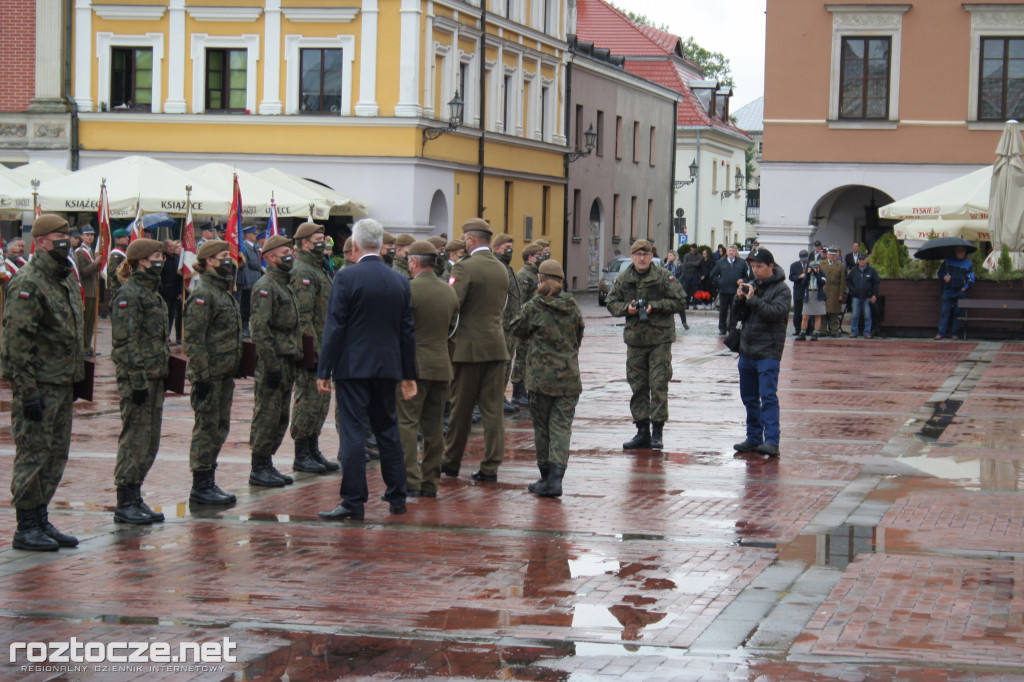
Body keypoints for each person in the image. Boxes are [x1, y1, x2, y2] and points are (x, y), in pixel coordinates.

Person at [317, 218, 417, 521]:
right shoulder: (399, 280)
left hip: (352, 366)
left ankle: (353, 500)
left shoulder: (346, 278)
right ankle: (397, 496)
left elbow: (335, 327)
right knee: (388, 430)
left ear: (356, 245)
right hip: (387, 366)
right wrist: (408, 374)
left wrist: (324, 370)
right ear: (380, 245)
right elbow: (407, 331)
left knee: (353, 433)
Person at [1, 214, 85, 551]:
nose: (67, 238)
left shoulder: (62, 279)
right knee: (33, 453)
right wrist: (27, 390)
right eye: (59, 234)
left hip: (62, 382)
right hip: (38, 384)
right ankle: (25, 526)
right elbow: (16, 342)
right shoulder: (28, 282)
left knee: (55, 453)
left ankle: (40, 516)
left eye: (68, 233)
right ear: (42, 240)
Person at [440, 218, 510, 482]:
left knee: (461, 409)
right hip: (496, 346)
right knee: (493, 411)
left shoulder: (465, 267)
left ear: (470, 240)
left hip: (468, 349)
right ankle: (490, 466)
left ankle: (451, 462)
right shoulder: (501, 269)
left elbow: (450, 303)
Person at [510, 259, 583, 497]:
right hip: (568, 377)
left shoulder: (534, 306)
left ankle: (545, 477)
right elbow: (579, 334)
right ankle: (556, 480)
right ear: (561, 281)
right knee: (561, 428)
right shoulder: (572, 306)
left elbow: (517, 328)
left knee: (542, 428)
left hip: (540, 379)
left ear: (539, 279)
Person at [109, 238, 169, 524]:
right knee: (135, 439)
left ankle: (135, 496)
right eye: (157, 255)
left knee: (149, 441)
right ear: (142, 260)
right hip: (139, 379)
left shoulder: (152, 293)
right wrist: (137, 381)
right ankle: (125, 501)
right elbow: (125, 342)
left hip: (154, 375)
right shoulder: (129, 294)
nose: (161, 260)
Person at [605, 239, 686, 451]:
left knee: (658, 385)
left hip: (659, 339)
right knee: (638, 386)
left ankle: (657, 432)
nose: (642, 258)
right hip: (636, 341)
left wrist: (654, 306)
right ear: (631, 257)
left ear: (652, 257)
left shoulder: (662, 276)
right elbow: (611, 303)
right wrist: (627, 308)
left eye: (646, 254)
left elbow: (680, 301)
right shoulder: (624, 279)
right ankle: (642, 431)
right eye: (638, 254)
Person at [397, 240, 459, 497]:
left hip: (414, 367)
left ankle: (410, 480)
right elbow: (453, 331)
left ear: (413, 262)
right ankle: (430, 482)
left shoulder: (408, 290)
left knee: (407, 424)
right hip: (441, 365)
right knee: (434, 428)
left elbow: (400, 331)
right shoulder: (449, 291)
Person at [184, 239, 243, 506]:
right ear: (209, 260)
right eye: (223, 256)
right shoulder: (203, 294)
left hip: (224, 373)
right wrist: (202, 375)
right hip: (209, 375)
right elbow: (194, 339)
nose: (228, 260)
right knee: (206, 429)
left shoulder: (221, 291)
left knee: (219, 427)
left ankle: (209, 479)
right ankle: (201, 485)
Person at [248, 235, 304, 487]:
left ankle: (267, 462)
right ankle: (259, 466)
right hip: (274, 360)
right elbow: (260, 329)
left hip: (287, 358)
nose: (290, 256)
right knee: (267, 415)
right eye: (285, 253)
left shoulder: (285, 284)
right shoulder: (266, 286)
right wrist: (270, 365)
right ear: (271, 258)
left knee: (281, 415)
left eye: (291, 252)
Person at [289, 221, 339, 474]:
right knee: (307, 398)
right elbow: (303, 316)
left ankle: (313, 447)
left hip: (324, 344)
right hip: (312, 346)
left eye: (324, 238)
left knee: (321, 399)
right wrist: (312, 350)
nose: (323, 242)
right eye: (318, 239)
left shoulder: (318, 269)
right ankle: (302, 452)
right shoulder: (303, 272)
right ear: (305, 243)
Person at [731, 248, 791, 458]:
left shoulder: (782, 289)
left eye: (759, 267)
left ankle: (772, 441)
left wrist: (753, 300)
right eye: (753, 267)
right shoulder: (752, 285)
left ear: (770, 267)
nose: (755, 271)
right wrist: (739, 299)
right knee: (748, 397)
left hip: (768, 352)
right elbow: (736, 315)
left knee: (767, 397)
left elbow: (774, 313)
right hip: (747, 350)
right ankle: (754, 437)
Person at [493, 233, 522, 414]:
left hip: (511, 325)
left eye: (511, 248)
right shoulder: (498, 267)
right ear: (496, 248)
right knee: (501, 363)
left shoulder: (507, 267)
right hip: (502, 325)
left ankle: (501, 395)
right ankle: (495, 397)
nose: (509, 251)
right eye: (506, 248)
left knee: (507, 363)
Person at [512, 242, 543, 406]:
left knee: (530, 358)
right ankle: (518, 391)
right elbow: (521, 302)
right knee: (522, 358)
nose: (541, 258)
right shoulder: (524, 275)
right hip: (527, 324)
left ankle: (526, 389)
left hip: (535, 323)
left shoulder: (536, 275)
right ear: (530, 257)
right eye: (538, 256)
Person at [936, 245, 975, 340]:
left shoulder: (968, 264)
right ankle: (941, 333)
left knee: (958, 313)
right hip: (948, 291)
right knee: (945, 312)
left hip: (960, 292)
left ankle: (955, 334)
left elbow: (971, 278)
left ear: (965, 253)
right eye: (958, 251)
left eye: (962, 251)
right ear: (955, 252)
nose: (960, 253)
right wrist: (944, 277)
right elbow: (940, 273)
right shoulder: (947, 262)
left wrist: (964, 288)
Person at [709, 245, 749, 336]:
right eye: (730, 251)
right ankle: (722, 328)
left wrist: (743, 281)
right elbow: (712, 275)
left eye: (733, 251)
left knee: (734, 310)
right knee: (723, 310)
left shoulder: (741, 263)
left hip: (736, 291)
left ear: (736, 252)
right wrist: (720, 281)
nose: (731, 253)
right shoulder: (720, 263)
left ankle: (732, 328)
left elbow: (747, 277)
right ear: (727, 252)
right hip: (724, 291)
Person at [75, 225, 100, 357]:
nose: (90, 237)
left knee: (91, 322)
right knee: (85, 321)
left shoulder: (91, 251)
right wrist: (95, 263)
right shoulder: (80, 252)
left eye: (92, 235)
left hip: (93, 290)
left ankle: (88, 345)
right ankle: (83, 346)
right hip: (86, 291)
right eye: (87, 235)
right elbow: (83, 272)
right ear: (82, 237)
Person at [237, 226, 263, 338]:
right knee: (246, 305)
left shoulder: (254, 247)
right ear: (248, 235)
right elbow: (245, 265)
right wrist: (247, 281)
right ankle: (244, 327)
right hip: (249, 278)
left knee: (253, 305)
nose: (255, 235)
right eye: (253, 233)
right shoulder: (244, 247)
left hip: (256, 277)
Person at [847, 252, 879, 338]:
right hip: (856, 296)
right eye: (860, 259)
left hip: (867, 297)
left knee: (867, 315)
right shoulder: (854, 270)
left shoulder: (872, 271)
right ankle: (854, 332)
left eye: (863, 259)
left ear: (866, 260)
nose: (861, 261)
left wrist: (874, 295)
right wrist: (852, 289)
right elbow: (848, 280)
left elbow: (876, 283)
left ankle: (867, 332)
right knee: (855, 315)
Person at [160, 240, 184, 346]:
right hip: (163, 292)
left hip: (174, 292)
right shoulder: (161, 259)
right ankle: (164, 337)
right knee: (164, 316)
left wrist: (180, 291)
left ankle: (170, 337)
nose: (171, 248)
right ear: (164, 247)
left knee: (171, 315)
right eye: (169, 246)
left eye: (172, 246)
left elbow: (180, 277)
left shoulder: (176, 259)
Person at [796, 260, 827, 341]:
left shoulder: (822, 274)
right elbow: (803, 283)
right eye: (813, 267)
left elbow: (822, 282)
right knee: (805, 315)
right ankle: (802, 333)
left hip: (818, 295)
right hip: (809, 295)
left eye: (817, 267)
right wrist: (808, 274)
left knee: (817, 315)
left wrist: (816, 274)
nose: (815, 269)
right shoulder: (807, 274)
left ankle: (815, 333)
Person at [820, 246, 846, 336]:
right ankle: (822, 330)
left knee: (834, 313)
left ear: (836, 256)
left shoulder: (840, 266)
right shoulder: (821, 264)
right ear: (827, 254)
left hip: (835, 291)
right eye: (830, 254)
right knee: (822, 311)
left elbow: (843, 281)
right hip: (824, 289)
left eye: (833, 255)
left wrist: (841, 294)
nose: (831, 256)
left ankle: (834, 330)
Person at [106, 228, 131, 302]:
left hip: (125, 286)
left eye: (127, 236)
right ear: (117, 240)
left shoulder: (124, 252)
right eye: (124, 237)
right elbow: (112, 272)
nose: (127, 238)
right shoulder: (116, 254)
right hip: (118, 287)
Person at [788, 249, 810, 336]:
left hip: (808, 290)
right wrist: (799, 276)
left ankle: (807, 329)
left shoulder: (810, 265)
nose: (804, 260)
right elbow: (791, 277)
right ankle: (797, 329)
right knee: (798, 311)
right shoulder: (794, 265)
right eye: (802, 259)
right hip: (798, 290)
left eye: (805, 258)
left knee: (808, 311)